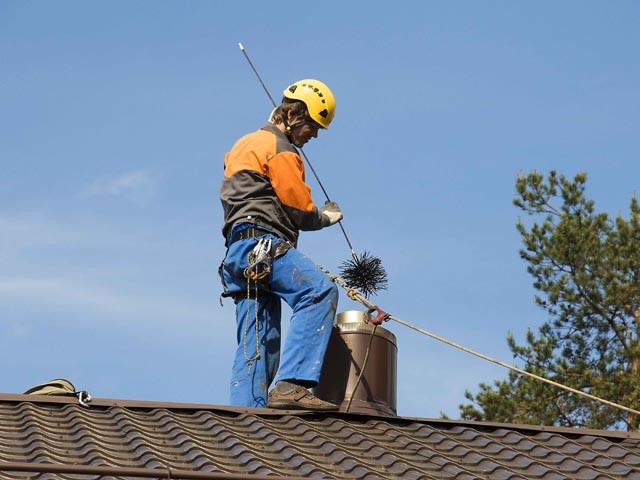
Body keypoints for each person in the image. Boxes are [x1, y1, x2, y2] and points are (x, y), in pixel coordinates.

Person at [219, 79, 343, 410]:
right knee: (319, 291)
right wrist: (324, 217)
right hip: (263, 244)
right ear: (292, 115)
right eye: (312, 126)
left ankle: (247, 418)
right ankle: (293, 384)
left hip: (239, 255)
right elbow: (299, 209)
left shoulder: (244, 144)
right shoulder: (281, 150)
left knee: (257, 341)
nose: (313, 135)